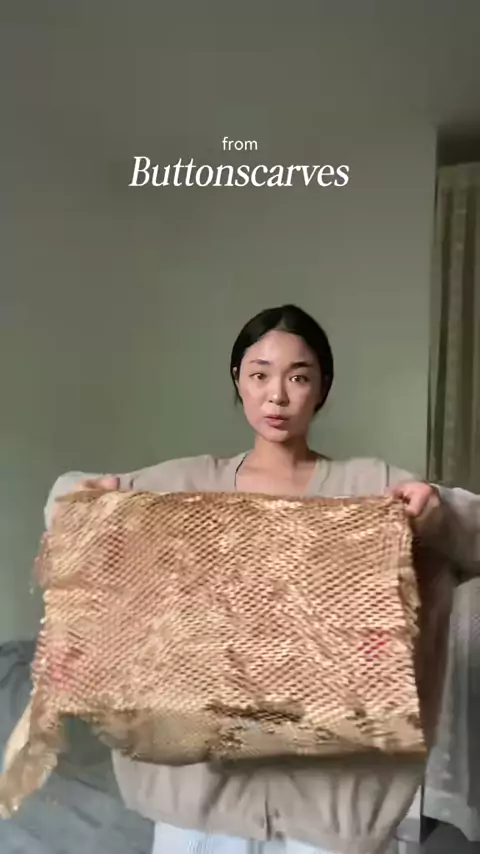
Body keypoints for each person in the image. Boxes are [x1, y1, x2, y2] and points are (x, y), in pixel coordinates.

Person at [44, 304, 473, 854]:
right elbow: (65, 499)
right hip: (200, 807)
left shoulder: (368, 487)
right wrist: (90, 505)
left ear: (322, 387)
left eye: (299, 377)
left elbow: (469, 532)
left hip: (329, 811)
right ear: (238, 381)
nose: (277, 396)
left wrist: (436, 518)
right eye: (260, 374)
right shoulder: (188, 483)